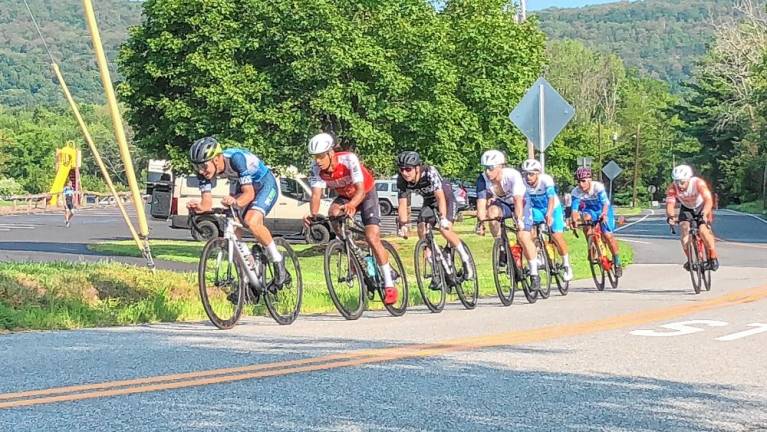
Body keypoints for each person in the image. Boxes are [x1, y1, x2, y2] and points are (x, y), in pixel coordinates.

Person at [303, 133, 398, 305]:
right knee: (332, 214)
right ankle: (354, 251)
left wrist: (353, 205)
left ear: (331, 153)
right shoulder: (316, 169)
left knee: (371, 237)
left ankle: (389, 283)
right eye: (315, 157)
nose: (317, 161)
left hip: (366, 194)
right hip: (345, 196)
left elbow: (361, 190)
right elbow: (316, 195)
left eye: (321, 156)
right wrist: (313, 214)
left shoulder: (349, 159)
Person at [186, 136, 289, 290]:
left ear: (217, 159)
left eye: (204, 166)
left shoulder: (236, 159)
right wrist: (199, 207)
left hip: (264, 184)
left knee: (251, 221)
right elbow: (206, 203)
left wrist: (235, 202)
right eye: (197, 167)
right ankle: (249, 273)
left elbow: (249, 195)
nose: (201, 171)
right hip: (242, 185)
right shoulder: (203, 172)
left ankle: (278, 260)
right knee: (231, 226)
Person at [395, 151, 473, 280]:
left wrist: (443, 218)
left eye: (408, 169)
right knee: (422, 227)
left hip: (446, 199)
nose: (404, 173)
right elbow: (402, 203)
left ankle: (466, 259)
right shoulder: (401, 180)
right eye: (402, 169)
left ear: (417, 168)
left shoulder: (429, 172)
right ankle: (435, 268)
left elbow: (440, 196)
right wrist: (403, 224)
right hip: (429, 202)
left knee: (445, 230)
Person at [474, 150, 540, 291]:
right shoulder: (482, 179)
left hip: (521, 202)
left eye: (491, 168)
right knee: (491, 213)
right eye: (485, 168)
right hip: (503, 203)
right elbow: (481, 203)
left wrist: (519, 220)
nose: (487, 172)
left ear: (500, 167)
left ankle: (534, 273)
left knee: (522, 236)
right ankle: (501, 246)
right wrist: (480, 223)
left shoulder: (512, 175)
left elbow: (517, 201)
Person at [520, 159, 573, 281]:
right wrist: (524, 219)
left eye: (531, 174)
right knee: (530, 232)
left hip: (553, 207)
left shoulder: (546, 180)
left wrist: (549, 214)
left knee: (556, 236)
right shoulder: (523, 183)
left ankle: (566, 265)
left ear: (538, 173)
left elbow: (551, 198)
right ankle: (538, 254)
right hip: (536, 208)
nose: (528, 177)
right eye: (525, 174)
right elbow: (526, 203)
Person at [570, 166, 623, 277]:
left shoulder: (597, 187)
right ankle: (590, 245)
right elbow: (574, 209)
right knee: (585, 218)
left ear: (590, 180)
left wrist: (603, 214)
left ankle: (617, 262)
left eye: (583, 181)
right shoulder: (576, 191)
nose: (581, 184)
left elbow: (605, 203)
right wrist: (574, 220)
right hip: (590, 210)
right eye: (578, 181)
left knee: (608, 236)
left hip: (603, 209)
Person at [665, 164, 719, 271]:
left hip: (702, 207)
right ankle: (690, 260)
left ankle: (713, 258)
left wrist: (704, 214)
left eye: (682, 182)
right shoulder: (673, 188)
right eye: (676, 182)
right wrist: (671, 216)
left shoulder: (698, 183)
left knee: (703, 230)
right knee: (684, 228)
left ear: (689, 179)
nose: (679, 185)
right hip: (687, 208)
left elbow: (708, 200)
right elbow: (670, 204)